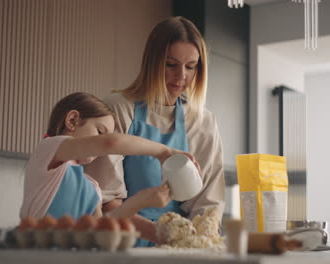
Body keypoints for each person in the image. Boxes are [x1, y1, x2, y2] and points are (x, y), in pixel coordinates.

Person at [84, 16, 225, 247]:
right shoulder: (119, 107)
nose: (181, 76)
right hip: (124, 241)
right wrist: (163, 235)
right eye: (171, 64)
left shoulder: (203, 121)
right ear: (153, 62)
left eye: (190, 67)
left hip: (178, 246)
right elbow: (107, 202)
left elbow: (208, 204)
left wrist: (195, 240)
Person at [19, 92, 197, 223]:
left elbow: (102, 228)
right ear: (72, 120)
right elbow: (110, 143)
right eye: (100, 131)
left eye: (104, 135)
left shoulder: (92, 187)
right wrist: (164, 152)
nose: (102, 144)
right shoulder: (49, 149)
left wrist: (139, 202)